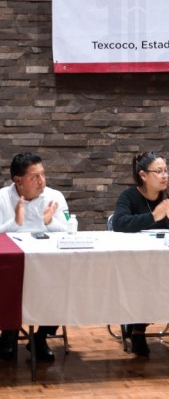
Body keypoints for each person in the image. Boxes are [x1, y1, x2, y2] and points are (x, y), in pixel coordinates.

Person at [110, 152, 169, 356]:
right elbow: (119, 223)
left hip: (166, 260)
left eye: (166, 171)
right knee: (145, 279)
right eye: (159, 171)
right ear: (143, 175)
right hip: (134, 262)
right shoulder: (129, 196)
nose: (165, 175)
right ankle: (138, 329)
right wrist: (154, 216)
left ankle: (137, 323)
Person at [0, 153, 68, 362]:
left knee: (67, 283)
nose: (42, 181)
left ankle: (40, 337)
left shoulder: (54, 197)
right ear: (18, 180)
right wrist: (15, 222)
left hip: (49, 266)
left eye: (43, 175)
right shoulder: (2, 198)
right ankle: (8, 334)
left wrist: (48, 222)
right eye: (34, 177)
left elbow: (69, 232)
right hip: (12, 266)